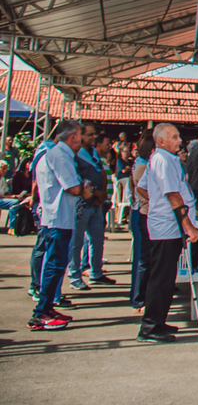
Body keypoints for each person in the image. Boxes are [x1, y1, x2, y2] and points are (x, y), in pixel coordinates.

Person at [138, 123, 198, 343]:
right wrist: (188, 226)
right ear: (161, 141)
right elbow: (173, 195)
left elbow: (142, 186)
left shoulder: (164, 159)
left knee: (166, 277)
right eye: (174, 137)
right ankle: (149, 327)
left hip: (169, 225)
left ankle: (158, 320)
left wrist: (155, 199)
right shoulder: (162, 160)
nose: (179, 140)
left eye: (178, 137)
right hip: (168, 227)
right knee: (161, 278)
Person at [28, 120, 87, 331]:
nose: (82, 139)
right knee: (54, 265)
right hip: (57, 218)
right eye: (80, 135)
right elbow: (72, 188)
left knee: (57, 265)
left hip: (58, 217)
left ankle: (47, 307)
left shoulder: (55, 154)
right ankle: (41, 312)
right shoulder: (60, 156)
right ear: (72, 137)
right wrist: (83, 188)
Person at [68, 122, 114, 290]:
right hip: (82, 204)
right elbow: (76, 178)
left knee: (97, 239)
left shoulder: (93, 152)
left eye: (94, 134)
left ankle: (96, 272)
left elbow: (101, 172)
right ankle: (74, 275)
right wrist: (94, 193)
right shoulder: (75, 154)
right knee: (77, 242)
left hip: (96, 205)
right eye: (90, 135)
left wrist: (101, 194)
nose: (94, 137)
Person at [129, 135, 154, 309]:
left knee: (146, 258)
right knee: (142, 259)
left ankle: (143, 295)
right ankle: (138, 297)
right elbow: (140, 189)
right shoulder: (142, 167)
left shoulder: (144, 165)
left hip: (144, 212)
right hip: (143, 213)